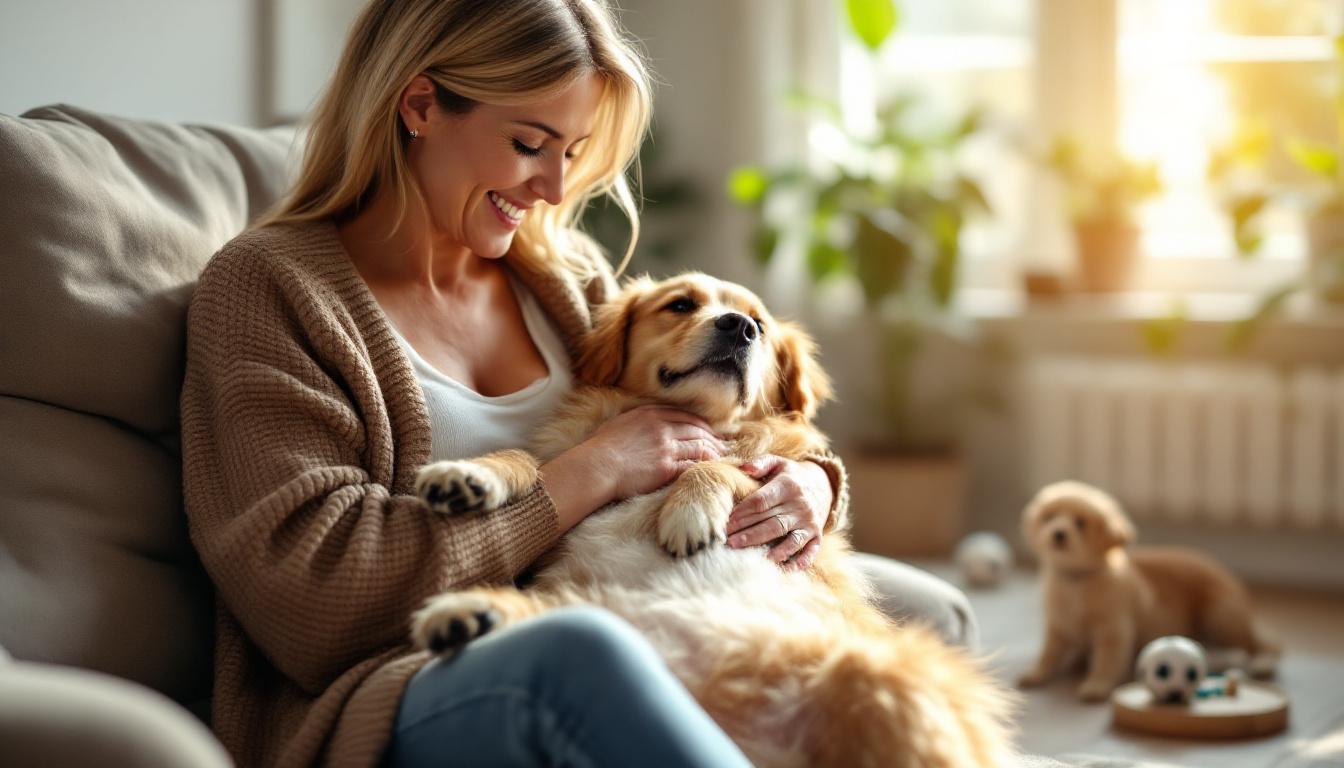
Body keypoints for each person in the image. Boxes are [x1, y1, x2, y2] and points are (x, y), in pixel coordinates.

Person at [180, 1, 976, 766]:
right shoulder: (270, 290)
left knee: (922, 618)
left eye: (572, 151)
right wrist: (592, 470)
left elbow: (716, 410)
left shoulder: (564, 278)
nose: (555, 191)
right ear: (419, 103)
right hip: (412, 671)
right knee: (579, 652)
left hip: (628, 599)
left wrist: (806, 483)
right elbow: (311, 598)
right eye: (530, 143)